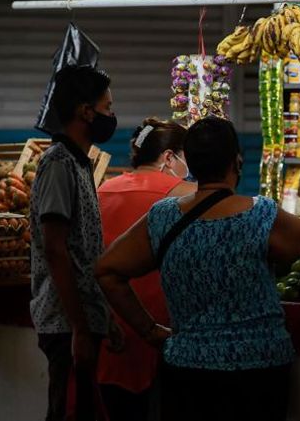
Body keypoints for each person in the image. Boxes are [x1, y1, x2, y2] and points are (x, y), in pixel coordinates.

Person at [95, 117, 300, 421]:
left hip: (188, 370)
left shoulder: (163, 218)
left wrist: (150, 331)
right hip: (259, 371)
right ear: (237, 161)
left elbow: (107, 271)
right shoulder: (260, 214)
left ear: (191, 162)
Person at [29, 64, 118, 421]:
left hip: (80, 320)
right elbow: (55, 248)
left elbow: (84, 253)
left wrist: (103, 317)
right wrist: (81, 328)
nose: (111, 116)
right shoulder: (58, 164)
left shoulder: (80, 164)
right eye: (108, 108)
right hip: (65, 324)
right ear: (86, 111)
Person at [96, 118, 196, 421]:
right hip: (166, 328)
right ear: (169, 157)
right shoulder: (188, 194)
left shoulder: (102, 190)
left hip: (112, 324)